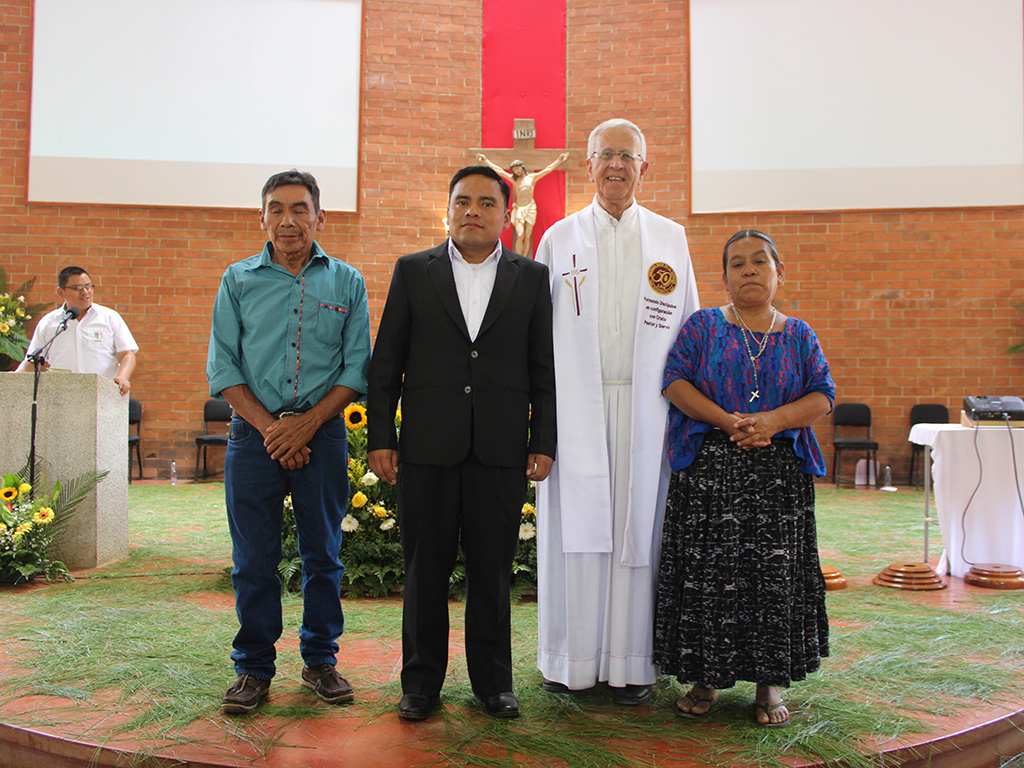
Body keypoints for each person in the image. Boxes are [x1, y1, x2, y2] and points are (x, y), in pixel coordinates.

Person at [367, 165, 556, 722]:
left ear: (505, 213)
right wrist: (383, 436)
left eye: (485, 203)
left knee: (494, 573)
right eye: (461, 201)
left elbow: (542, 368)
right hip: (426, 448)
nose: (472, 210)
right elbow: (387, 364)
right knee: (424, 572)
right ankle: (420, 684)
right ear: (447, 210)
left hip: (499, 451)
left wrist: (541, 439)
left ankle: (493, 683)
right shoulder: (412, 272)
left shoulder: (531, 277)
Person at [533, 119, 699, 705]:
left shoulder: (671, 239)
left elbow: (690, 334)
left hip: (645, 409)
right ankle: (569, 661)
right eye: (605, 155)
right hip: (575, 404)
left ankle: (632, 666)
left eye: (627, 156)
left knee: (637, 532)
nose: (615, 166)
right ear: (588, 164)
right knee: (573, 536)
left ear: (643, 168)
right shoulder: (557, 239)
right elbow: (536, 336)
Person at [206, 169, 371, 714]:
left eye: (300, 209)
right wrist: (273, 429)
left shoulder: (347, 282)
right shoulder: (238, 279)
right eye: (276, 209)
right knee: (253, 559)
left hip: (321, 435)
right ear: (262, 217)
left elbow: (356, 368)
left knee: (323, 554)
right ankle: (253, 669)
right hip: (253, 437)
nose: (288, 220)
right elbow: (224, 367)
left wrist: (304, 425)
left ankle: (321, 661)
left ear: (320, 217)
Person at [654, 229, 834, 727]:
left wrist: (773, 421)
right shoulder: (703, 327)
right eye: (738, 263)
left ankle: (769, 683)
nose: (749, 270)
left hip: (778, 480)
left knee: (773, 579)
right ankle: (705, 677)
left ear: (780, 272)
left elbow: (823, 394)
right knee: (712, 577)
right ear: (726, 277)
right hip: (712, 473)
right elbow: (674, 381)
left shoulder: (799, 334)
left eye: (760, 262)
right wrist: (727, 421)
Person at [16, 266, 138, 396]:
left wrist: (122, 377)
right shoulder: (49, 322)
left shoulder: (109, 317)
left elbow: (127, 354)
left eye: (89, 286)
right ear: (61, 292)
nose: (85, 292)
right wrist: (12, 379)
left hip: (103, 395)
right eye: (77, 288)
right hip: (62, 396)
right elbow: (32, 361)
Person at [475, 152, 569, 259]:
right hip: (519, 209)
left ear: (522, 168)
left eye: (518, 168)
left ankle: (524, 259)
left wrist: (560, 160)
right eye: (514, 170)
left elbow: (547, 170)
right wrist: (485, 161)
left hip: (530, 208)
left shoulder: (532, 178)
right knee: (520, 234)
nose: (516, 171)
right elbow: (500, 171)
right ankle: (518, 257)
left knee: (527, 235)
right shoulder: (515, 180)